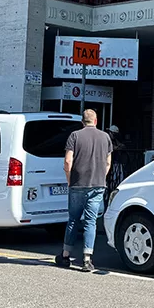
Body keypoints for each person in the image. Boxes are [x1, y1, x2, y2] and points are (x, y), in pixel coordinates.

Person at [56, 109, 112, 273]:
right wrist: (101, 176)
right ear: (96, 121)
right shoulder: (105, 137)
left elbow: (68, 161)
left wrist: (69, 179)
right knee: (91, 221)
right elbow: (108, 163)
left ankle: (65, 255)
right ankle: (87, 259)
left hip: (77, 184)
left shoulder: (75, 136)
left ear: (82, 122)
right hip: (97, 185)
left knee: (73, 219)